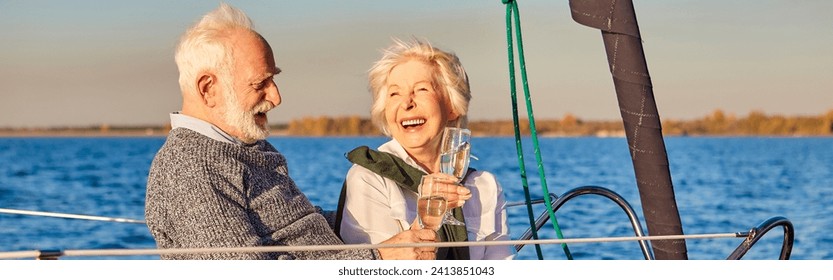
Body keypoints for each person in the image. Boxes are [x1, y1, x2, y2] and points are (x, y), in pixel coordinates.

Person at [144, 3, 437, 260]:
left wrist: (397, 210)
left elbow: (304, 227)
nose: (276, 97)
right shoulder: (192, 168)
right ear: (208, 89)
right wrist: (377, 258)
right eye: (261, 83)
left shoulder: (239, 149)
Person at [338, 38, 515, 260]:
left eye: (421, 89)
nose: (406, 103)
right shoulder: (369, 178)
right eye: (394, 94)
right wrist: (426, 221)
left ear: (452, 106)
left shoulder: (483, 186)